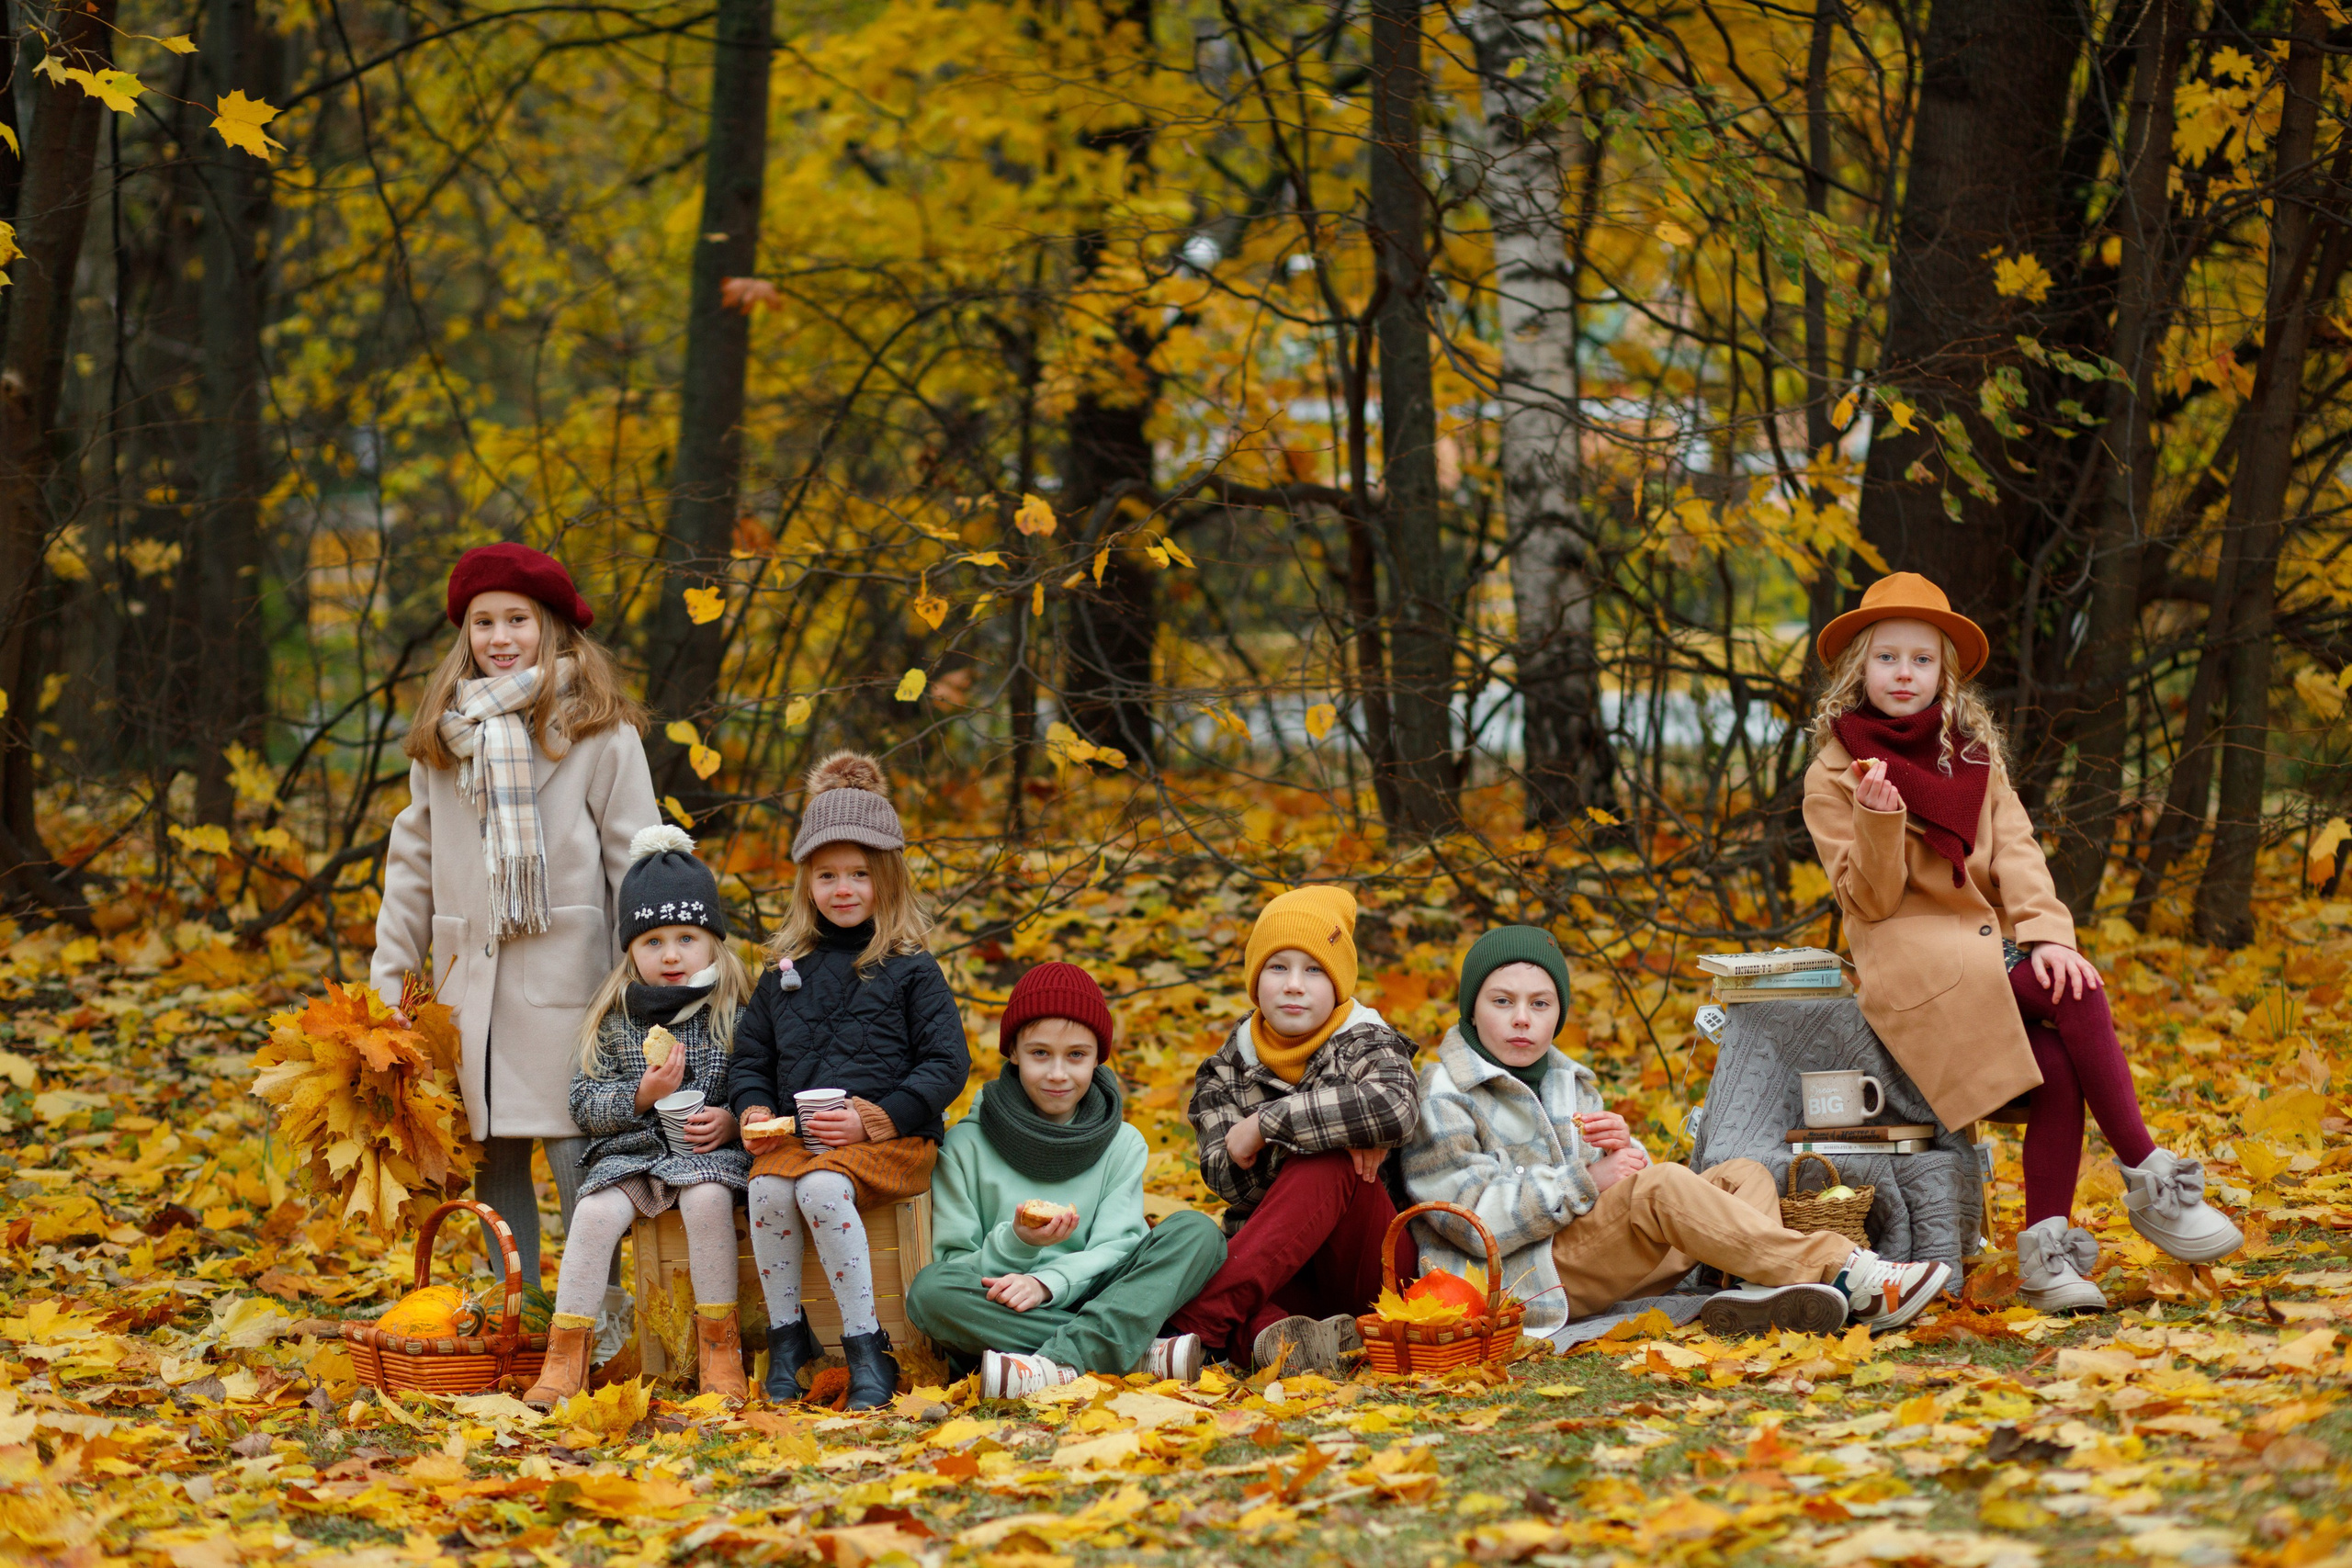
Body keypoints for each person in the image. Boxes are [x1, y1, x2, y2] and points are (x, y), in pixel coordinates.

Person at [1804, 572, 2242, 1313]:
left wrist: (2047, 935)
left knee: (2062, 1058)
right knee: (2085, 994)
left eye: (1921, 659)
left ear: (1944, 672)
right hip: (1917, 965)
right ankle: (2151, 1178)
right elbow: (1869, 903)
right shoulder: (1834, 774)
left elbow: (2018, 852)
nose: (1904, 674)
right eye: (1886, 658)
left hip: (1990, 949)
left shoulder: (1972, 754)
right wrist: (1879, 819)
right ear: (1858, 670)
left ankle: (2047, 1258)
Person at [1404, 927, 1951, 1342]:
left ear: (1557, 1015)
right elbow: (1471, 1224)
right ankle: (1846, 1269)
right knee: (1665, 1188)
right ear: (1472, 1011)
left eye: (1539, 1004)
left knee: (1744, 1173)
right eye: (1503, 1001)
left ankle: (1754, 1289)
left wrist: (1623, 1154)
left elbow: (1610, 1189)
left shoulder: (1565, 1079)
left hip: (1586, 1251)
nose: (1522, 1019)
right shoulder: (1446, 1093)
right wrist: (1588, 1176)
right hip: (1523, 1278)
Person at [371, 543, 658, 1298]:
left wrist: (652, 983)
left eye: (517, 620)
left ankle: (597, 1319)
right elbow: (411, 873)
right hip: (474, 1002)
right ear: (464, 634)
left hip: (572, 995)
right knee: (496, 1171)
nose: (500, 637)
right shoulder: (444, 742)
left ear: (552, 628)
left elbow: (639, 866)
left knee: (583, 1168)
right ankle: (518, 1318)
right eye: (483, 621)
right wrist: (390, 993)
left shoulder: (601, 732)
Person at [727, 752, 970, 1409]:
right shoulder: (785, 973)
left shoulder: (910, 967)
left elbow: (948, 1062)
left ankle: (869, 1345)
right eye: (828, 874)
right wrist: (752, 1108)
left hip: (891, 1144)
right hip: (803, 1144)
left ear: (885, 879)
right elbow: (749, 1058)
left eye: (860, 874)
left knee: (821, 1187)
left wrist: (879, 1115)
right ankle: (788, 1338)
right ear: (807, 881)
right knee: (771, 1189)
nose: (844, 888)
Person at [907, 962, 1227, 1397]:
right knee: (930, 1293)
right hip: (1008, 1310)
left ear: (1098, 1058)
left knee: (1198, 1233)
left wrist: (1048, 1282)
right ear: (1014, 1052)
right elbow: (956, 1266)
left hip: (1105, 1295)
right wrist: (1018, 1245)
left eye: (1076, 1055)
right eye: (1040, 1053)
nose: (1058, 1073)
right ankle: (1137, 1356)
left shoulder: (1123, 1143)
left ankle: (1053, 1364)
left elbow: (1119, 1249)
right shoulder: (965, 1145)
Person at [525, 828, 755, 1405]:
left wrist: (730, 1121)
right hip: (632, 1155)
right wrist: (640, 1096)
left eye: (686, 938)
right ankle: (565, 1355)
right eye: (652, 941)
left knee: (706, 1204)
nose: (671, 955)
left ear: (713, 943)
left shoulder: (734, 1010)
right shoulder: (615, 1013)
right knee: (595, 1212)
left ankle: (719, 1350)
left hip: (709, 1156)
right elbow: (582, 1100)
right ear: (630, 947)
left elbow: (761, 1085)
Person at [1167, 886, 1419, 1374]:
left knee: (1327, 1158)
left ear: (1339, 982)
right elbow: (1226, 1176)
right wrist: (1339, 1126)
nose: (1294, 985)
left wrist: (1268, 1124)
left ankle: (1193, 1325)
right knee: (1253, 1304)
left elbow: (1395, 1107)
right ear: (1256, 979)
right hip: (1277, 1268)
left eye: (1315, 970)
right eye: (1277, 967)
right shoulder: (1225, 1069)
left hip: (1369, 1263)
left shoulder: (1366, 1041)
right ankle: (1297, 1346)